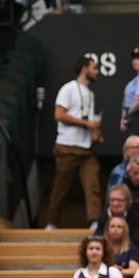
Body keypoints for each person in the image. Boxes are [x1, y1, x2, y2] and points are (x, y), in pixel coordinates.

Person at [45, 56, 103, 230]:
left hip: (86, 149)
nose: (97, 71)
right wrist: (87, 124)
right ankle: (51, 223)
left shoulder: (91, 94)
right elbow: (59, 115)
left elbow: (90, 121)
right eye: (94, 67)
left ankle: (94, 222)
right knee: (60, 188)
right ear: (84, 68)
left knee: (93, 184)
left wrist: (96, 133)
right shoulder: (68, 88)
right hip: (67, 147)